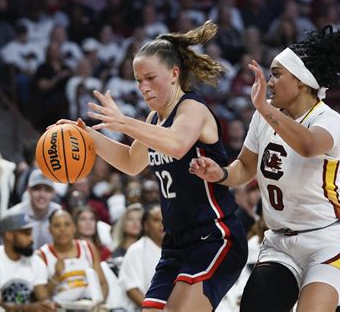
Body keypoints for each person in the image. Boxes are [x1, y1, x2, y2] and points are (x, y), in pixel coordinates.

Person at [55, 20, 248, 311]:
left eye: (149, 78)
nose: (143, 87)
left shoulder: (192, 109)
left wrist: (125, 123)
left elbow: (177, 144)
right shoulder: (153, 120)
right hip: (175, 242)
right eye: (137, 80)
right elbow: (131, 162)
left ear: (174, 74)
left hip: (214, 236)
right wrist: (87, 135)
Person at [190, 25, 340, 311]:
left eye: (276, 74)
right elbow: (245, 167)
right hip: (280, 242)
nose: (269, 82)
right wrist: (220, 173)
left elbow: (307, 146)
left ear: (303, 82)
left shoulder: (328, 120)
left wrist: (263, 109)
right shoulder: (264, 116)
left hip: (327, 240)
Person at [0, 210, 57, 311]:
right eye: (26, 234)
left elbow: (43, 297)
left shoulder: (35, 261)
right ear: (9, 235)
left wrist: (47, 306)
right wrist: (25, 308)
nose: (31, 239)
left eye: (31, 233)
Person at [37, 210, 108, 305]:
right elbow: (42, 298)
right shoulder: (42, 255)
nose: (62, 229)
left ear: (74, 227)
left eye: (67, 224)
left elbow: (103, 283)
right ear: (49, 230)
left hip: (90, 306)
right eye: (57, 225)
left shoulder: (88, 247)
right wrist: (56, 277)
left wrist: (98, 303)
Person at [118, 204, 164, 310]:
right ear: (146, 225)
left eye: (165, 219)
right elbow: (131, 289)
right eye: (156, 220)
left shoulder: (176, 249)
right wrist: (153, 310)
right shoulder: (136, 249)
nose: (162, 224)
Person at [9, 169, 61, 249]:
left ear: (53, 193)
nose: (42, 195)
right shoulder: (14, 215)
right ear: (28, 190)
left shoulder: (59, 213)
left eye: (47, 190)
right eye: (37, 189)